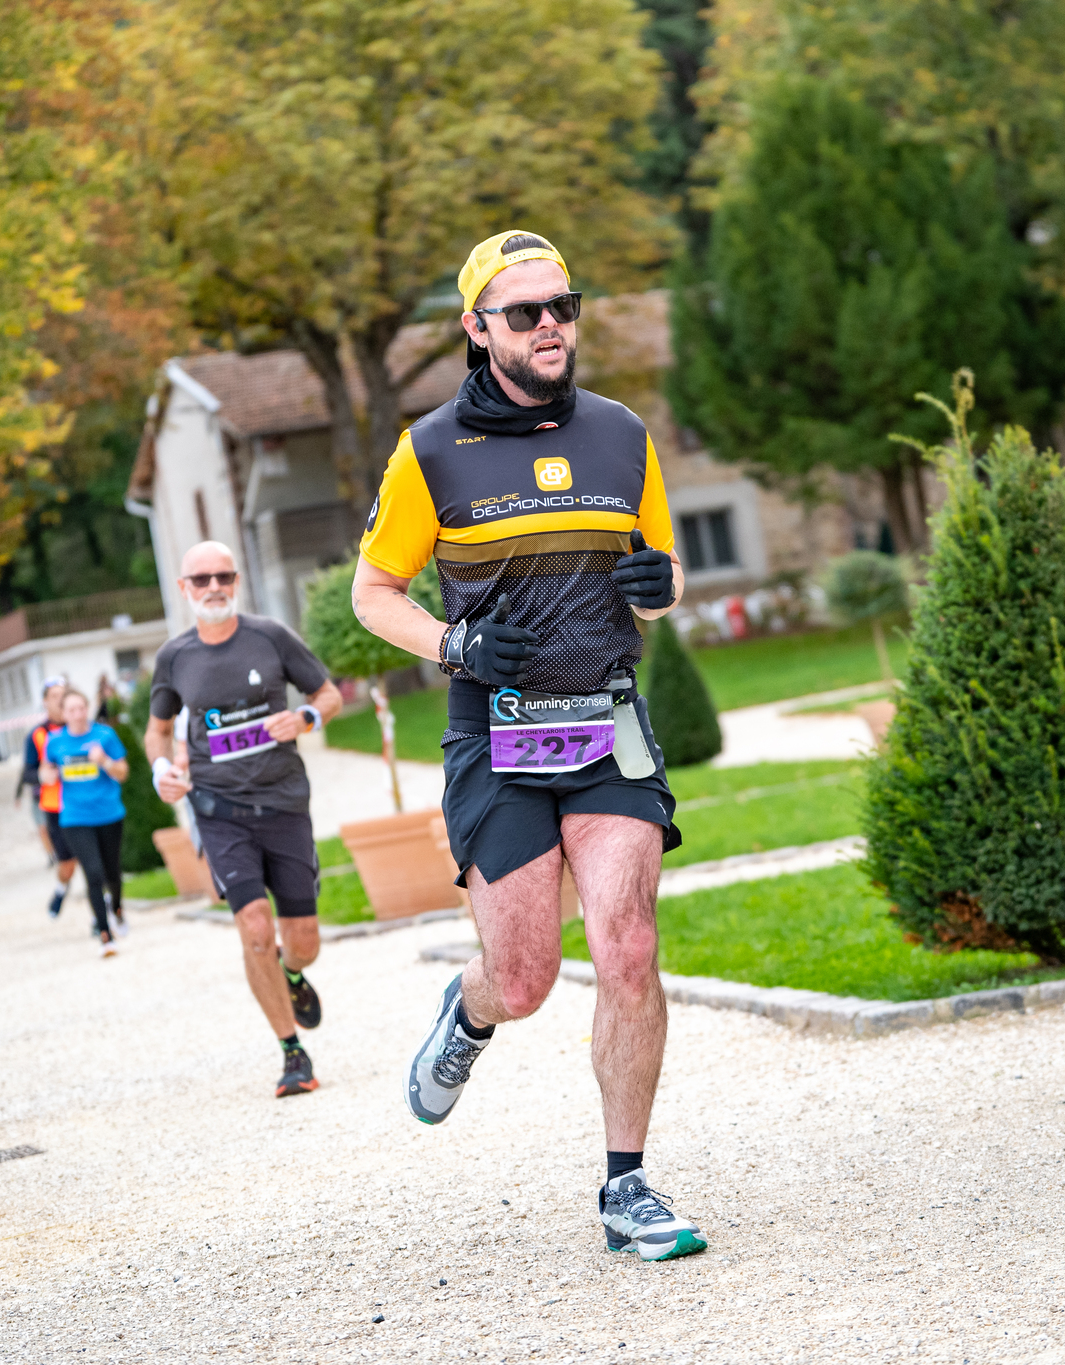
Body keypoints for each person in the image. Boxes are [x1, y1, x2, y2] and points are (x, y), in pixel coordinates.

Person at [350, 230, 705, 1261]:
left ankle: (626, 1186)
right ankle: (467, 1014)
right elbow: (374, 591)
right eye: (525, 312)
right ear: (477, 328)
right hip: (495, 733)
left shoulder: (621, 433)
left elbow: (661, 573)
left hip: (605, 722)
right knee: (524, 978)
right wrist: (453, 643)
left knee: (628, 947)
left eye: (563, 305)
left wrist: (662, 586)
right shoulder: (428, 451)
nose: (551, 324)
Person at [145, 541, 342, 1098]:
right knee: (255, 928)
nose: (213, 587)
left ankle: (292, 971)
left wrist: (305, 717)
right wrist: (162, 770)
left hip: (283, 803)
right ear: (184, 588)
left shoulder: (270, 636)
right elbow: (158, 731)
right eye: (201, 579)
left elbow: (327, 694)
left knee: (303, 940)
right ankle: (292, 1052)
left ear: (235, 581)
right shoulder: (174, 657)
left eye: (223, 576)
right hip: (219, 810)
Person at [42, 689, 131, 956]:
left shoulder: (105, 736)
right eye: (72, 710)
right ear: (63, 713)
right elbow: (45, 770)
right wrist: (47, 776)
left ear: (88, 708)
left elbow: (123, 772)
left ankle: (117, 908)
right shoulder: (55, 741)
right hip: (75, 817)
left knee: (112, 872)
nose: (78, 714)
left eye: (81, 708)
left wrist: (104, 761)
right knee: (93, 873)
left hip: (108, 813)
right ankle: (105, 935)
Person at [17, 679, 78, 919]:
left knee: (93, 863)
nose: (59, 700)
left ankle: (101, 917)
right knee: (67, 864)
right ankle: (61, 888)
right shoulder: (37, 735)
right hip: (55, 807)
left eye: (63, 694)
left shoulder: (81, 727)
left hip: (85, 803)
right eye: (54, 696)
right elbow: (27, 773)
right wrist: (42, 776)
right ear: (45, 702)